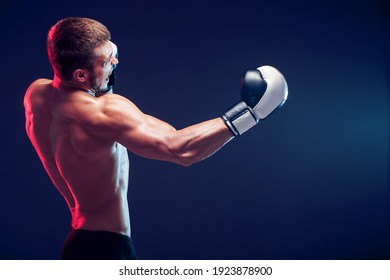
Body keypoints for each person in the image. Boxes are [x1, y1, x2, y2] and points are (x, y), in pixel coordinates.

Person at [24, 17, 288, 260]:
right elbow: (180, 149)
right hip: (109, 250)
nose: (115, 62)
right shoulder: (105, 112)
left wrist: (101, 73)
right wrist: (252, 113)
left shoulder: (36, 95)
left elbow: (88, 96)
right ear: (80, 75)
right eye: (107, 61)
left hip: (76, 246)